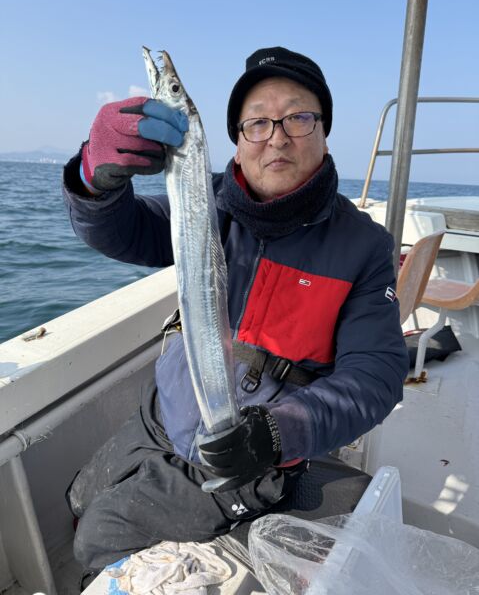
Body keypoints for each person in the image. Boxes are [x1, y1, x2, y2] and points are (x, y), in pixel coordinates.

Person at [63, 46, 409, 571]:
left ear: (324, 131)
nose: (277, 137)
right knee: (77, 500)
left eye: (298, 117)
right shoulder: (207, 204)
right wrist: (95, 177)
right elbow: (121, 231)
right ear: (238, 140)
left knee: (96, 539)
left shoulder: (361, 246)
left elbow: (375, 376)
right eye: (257, 122)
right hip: (161, 416)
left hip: (248, 453)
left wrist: (279, 431)